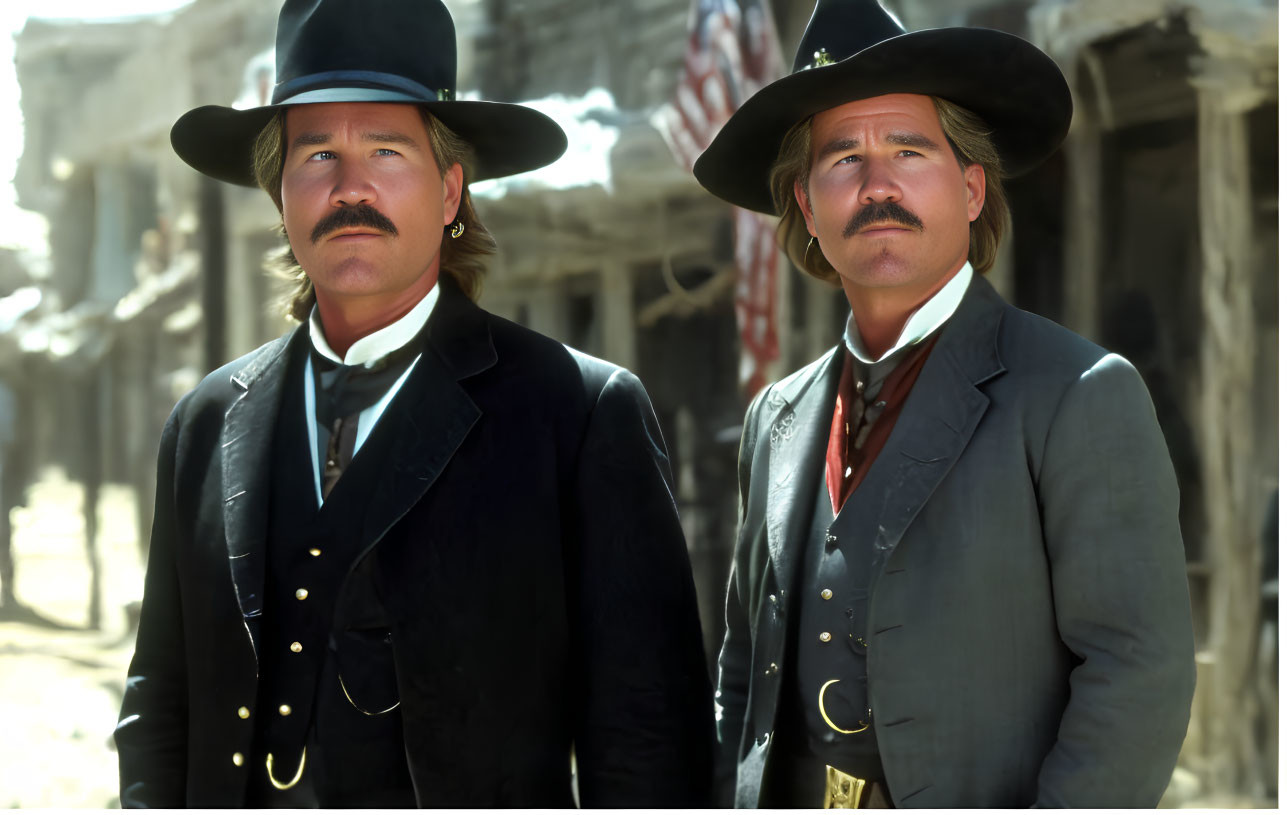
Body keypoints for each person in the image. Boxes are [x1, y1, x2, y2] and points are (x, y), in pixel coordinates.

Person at [114, 0, 713, 806]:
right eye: (316, 154)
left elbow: (647, 736)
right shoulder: (207, 421)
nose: (350, 187)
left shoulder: (574, 412)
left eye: (387, 151)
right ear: (280, 196)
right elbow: (160, 700)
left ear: (449, 192)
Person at [692, 0, 1195, 807]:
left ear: (969, 188)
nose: (877, 184)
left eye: (907, 149)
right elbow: (743, 671)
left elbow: (1136, 671)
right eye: (843, 158)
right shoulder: (774, 417)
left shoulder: (1075, 394)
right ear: (807, 207)